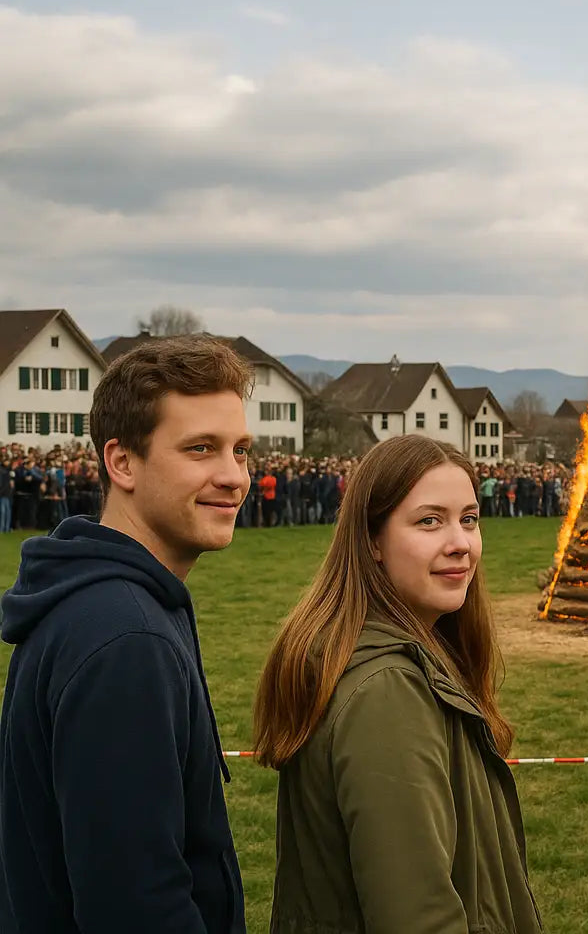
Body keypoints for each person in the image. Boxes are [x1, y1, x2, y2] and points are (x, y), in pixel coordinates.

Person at [0, 335, 253, 931]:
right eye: (201, 449)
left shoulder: (108, 603)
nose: (234, 476)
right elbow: (136, 903)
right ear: (122, 462)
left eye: (241, 450)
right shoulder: (124, 638)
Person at [253, 435, 541, 933]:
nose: (460, 543)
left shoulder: (403, 661)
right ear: (372, 542)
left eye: (469, 519)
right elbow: (417, 915)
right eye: (429, 520)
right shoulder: (387, 691)